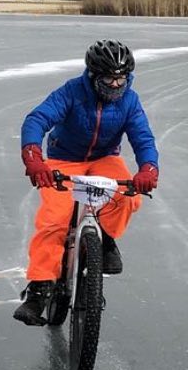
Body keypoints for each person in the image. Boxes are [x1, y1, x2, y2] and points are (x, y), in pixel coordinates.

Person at [13, 39, 159, 326]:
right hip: (64, 160)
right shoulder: (72, 92)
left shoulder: (130, 100)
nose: (116, 85)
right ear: (93, 76)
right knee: (55, 218)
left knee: (128, 196)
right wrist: (33, 158)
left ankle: (105, 238)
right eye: (109, 79)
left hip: (104, 158)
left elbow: (143, 138)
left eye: (121, 78)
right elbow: (37, 119)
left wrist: (148, 169)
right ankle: (39, 290)